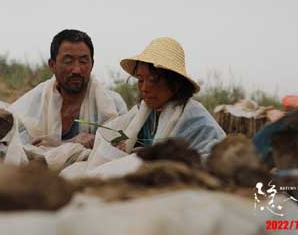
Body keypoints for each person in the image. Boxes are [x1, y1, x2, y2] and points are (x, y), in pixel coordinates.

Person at [91, 37, 225, 158]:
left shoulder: (195, 119)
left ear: (176, 82)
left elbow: (214, 159)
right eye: (140, 80)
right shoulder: (142, 115)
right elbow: (121, 138)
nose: (144, 88)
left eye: (153, 79)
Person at [9, 29, 127, 148]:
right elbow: (16, 147)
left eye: (83, 61)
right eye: (68, 61)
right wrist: (70, 143)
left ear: (92, 64)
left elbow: (120, 149)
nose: (76, 70)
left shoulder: (113, 105)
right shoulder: (34, 103)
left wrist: (60, 145)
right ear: (52, 65)